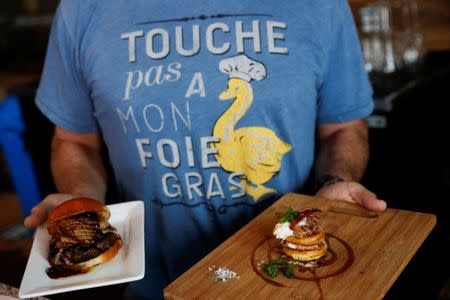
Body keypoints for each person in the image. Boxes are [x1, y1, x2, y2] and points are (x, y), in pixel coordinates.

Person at [24, 0, 386, 298]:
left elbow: (343, 127)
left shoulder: (320, 6)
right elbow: (74, 141)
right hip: (155, 288)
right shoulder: (83, 8)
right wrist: (82, 206)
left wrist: (334, 182)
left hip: (292, 283)